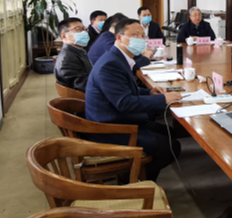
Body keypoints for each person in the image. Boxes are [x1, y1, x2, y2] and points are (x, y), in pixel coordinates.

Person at [84, 19, 183, 181]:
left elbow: (126, 90)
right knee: (171, 147)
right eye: (135, 35)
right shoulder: (110, 65)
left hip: (120, 118)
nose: (141, 40)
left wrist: (150, 92)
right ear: (119, 37)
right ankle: (133, 181)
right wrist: (163, 99)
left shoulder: (118, 58)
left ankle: (136, 173)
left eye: (143, 36)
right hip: (111, 128)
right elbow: (125, 103)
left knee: (169, 132)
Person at [54, 17, 94, 92]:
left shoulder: (76, 51)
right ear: (64, 36)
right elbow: (83, 86)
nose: (84, 32)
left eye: (84, 29)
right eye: (78, 29)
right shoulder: (67, 59)